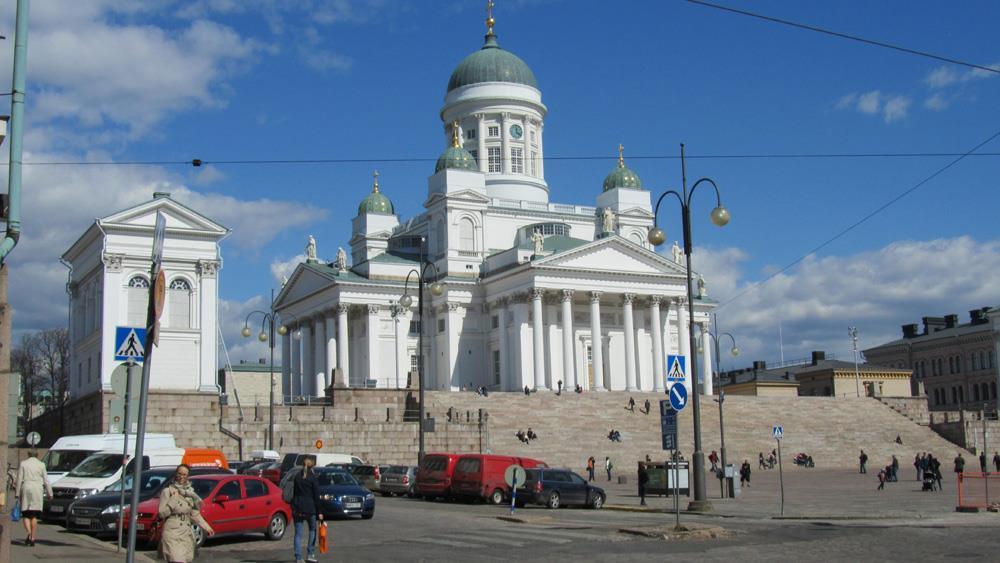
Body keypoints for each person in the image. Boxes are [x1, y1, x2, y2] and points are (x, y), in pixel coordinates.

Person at [158, 464, 214, 563]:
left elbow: (194, 514)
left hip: (186, 533)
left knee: (185, 559)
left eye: (184, 474)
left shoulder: (190, 493)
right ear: (176, 474)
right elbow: (161, 514)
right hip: (172, 532)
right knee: (176, 559)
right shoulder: (167, 491)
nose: (181, 477)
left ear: (188, 476)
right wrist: (173, 501)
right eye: (179, 474)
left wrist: (207, 527)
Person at [15, 450, 53, 547]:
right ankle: (33, 536)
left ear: (28, 455)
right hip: (37, 488)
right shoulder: (41, 464)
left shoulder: (23, 463)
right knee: (34, 515)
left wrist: (17, 492)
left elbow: (19, 479)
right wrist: (50, 493)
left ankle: (28, 532)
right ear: (37, 455)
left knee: (26, 513)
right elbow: (46, 480)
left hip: (26, 487)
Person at [291, 456, 324, 563]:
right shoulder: (313, 478)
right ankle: (310, 553)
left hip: (297, 507)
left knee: (298, 534)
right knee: (312, 530)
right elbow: (316, 496)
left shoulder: (297, 476)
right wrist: (320, 512)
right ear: (312, 466)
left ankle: (298, 557)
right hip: (310, 508)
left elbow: (294, 492)